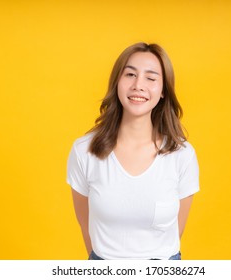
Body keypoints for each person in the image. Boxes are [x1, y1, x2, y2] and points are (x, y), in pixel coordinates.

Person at [67, 42, 199, 260]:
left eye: (151, 78)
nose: (138, 85)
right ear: (117, 82)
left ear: (163, 90)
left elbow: (175, 233)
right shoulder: (84, 151)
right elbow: (86, 226)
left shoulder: (182, 155)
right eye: (130, 74)